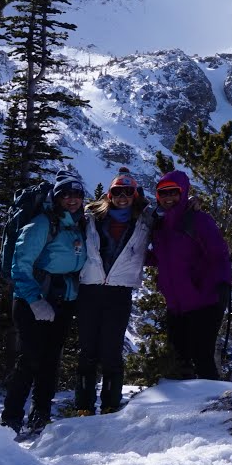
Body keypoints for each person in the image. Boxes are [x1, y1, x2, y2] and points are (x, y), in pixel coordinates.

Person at [2, 169, 87, 433]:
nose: (72, 200)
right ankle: (12, 418)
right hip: (33, 301)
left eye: (77, 195)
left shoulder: (76, 223)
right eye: (66, 195)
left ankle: (41, 414)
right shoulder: (42, 223)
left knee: (50, 360)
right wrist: (35, 300)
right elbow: (20, 265)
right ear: (57, 196)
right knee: (30, 359)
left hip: (62, 300)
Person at [75, 169, 154, 413]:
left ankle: (110, 404)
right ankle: (84, 405)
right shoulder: (90, 217)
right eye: (117, 191)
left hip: (119, 292)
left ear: (135, 195)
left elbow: (172, 214)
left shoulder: (145, 220)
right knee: (87, 350)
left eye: (128, 192)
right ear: (109, 195)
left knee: (111, 350)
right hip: (89, 288)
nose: (122, 196)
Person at [148, 168, 232, 380]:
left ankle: (214, 406)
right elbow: (162, 258)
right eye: (163, 193)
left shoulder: (198, 220)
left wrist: (219, 287)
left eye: (173, 192)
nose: (168, 198)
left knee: (201, 355)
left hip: (205, 299)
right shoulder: (160, 225)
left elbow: (220, 255)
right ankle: (185, 409)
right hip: (177, 304)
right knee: (179, 359)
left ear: (183, 192)